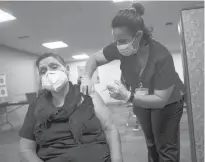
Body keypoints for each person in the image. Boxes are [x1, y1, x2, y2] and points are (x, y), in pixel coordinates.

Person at [80, 3, 185, 162]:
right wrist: (86, 76)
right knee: (151, 144)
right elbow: (94, 59)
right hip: (140, 99)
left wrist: (128, 96)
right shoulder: (120, 47)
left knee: (165, 147)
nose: (119, 46)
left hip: (167, 102)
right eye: (116, 41)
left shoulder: (161, 56)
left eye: (122, 41)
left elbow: (160, 100)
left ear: (138, 35)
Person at [19, 53, 123, 162]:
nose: (49, 73)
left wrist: (117, 159)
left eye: (54, 67)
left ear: (67, 70)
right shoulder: (36, 106)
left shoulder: (87, 94)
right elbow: (26, 148)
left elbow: (110, 129)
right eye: (43, 71)